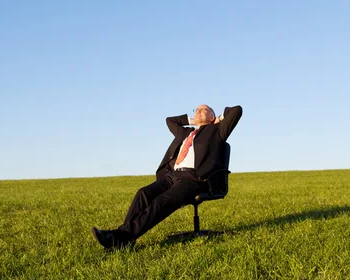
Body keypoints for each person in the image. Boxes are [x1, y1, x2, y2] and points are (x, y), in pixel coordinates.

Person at [92, 104, 243, 249]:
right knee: (143, 193)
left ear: (212, 116)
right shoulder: (186, 133)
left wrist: (219, 119)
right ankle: (124, 238)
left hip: (194, 179)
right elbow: (170, 120)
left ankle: (120, 237)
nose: (198, 111)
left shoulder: (217, 131)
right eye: (196, 109)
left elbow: (236, 111)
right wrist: (194, 120)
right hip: (172, 176)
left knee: (161, 202)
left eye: (204, 109)